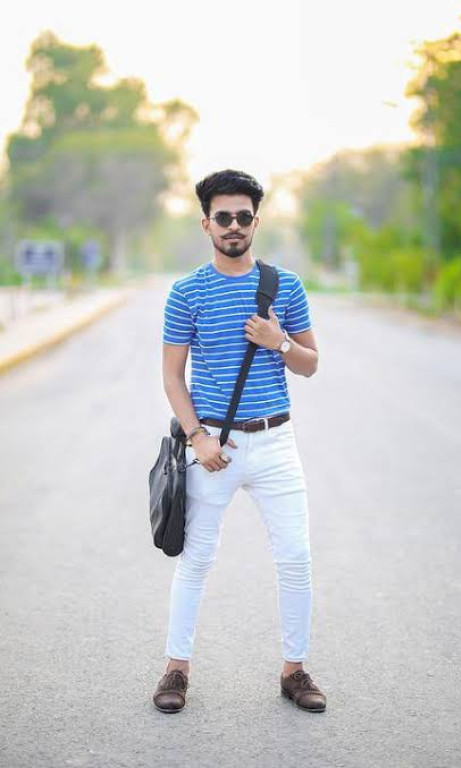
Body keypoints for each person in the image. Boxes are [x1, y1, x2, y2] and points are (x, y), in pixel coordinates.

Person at [153, 169, 326, 714]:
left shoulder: (285, 286)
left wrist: (280, 342)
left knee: (295, 558)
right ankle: (176, 668)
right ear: (206, 223)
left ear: (256, 221)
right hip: (215, 449)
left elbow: (310, 365)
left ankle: (294, 670)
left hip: (275, 442)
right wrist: (198, 438)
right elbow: (173, 378)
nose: (234, 226)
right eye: (223, 217)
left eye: (243, 217)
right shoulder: (186, 292)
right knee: (196, 559)